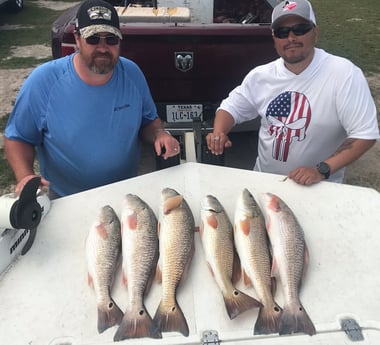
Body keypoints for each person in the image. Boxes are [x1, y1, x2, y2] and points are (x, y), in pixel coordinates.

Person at [4, 0, 180, 198]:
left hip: (126, 194)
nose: (103, 48)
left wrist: (159, 133)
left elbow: (149, 120)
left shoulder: (132, 73)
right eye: (93, 39)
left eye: (111, 39)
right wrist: (25, 176)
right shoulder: (43, 81)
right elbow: (18, 138)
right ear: (77, 39)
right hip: (67, 199)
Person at [206, 0, 379, 185]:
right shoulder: (261, 75)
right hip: (265, 181)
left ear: (315, 33)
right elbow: (231, 107)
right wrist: (219, 132)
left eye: (300, 29)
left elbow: (364, 134)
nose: (291, 38)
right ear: (274, 38)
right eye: (282, 32)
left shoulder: (344, 74)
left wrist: (321, 170)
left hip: (319, 186)